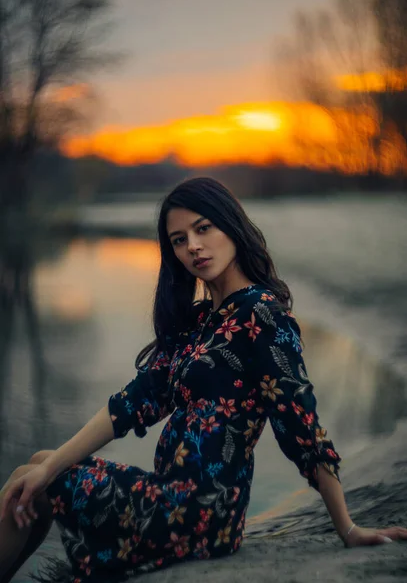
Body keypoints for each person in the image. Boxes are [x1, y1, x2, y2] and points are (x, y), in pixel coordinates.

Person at [0, 177, 406, 582]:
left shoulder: (261, 314)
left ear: (230, 224)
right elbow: (129, 405)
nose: (192, 245)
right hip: (169, 496)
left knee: (35, 481)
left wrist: (348, 528)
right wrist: (51, 464)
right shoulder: (198, 323)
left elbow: (300, 425)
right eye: (178, 239)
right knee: (35, 469)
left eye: (202, 228)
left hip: (198, 514)